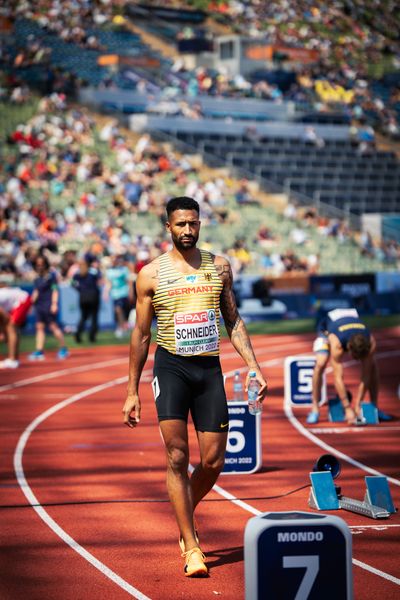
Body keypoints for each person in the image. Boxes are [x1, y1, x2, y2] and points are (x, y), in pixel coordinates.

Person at [122, 196, 268, 578]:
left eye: (193, 223)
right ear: (168, 228)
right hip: (170, 369)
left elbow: (233, 320)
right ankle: (191, 544)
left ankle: (184, 506)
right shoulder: (150, 274)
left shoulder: (219, 267)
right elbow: (140, 335)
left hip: (208, 370)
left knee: (214, 461)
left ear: (200, 224)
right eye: (181, 224)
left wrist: (254, 366)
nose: (188, 230)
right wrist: (132, 391)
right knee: (176, 456)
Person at [306, 307, 390, 425]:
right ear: (349, 349)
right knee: (321, 363)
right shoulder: (337, 345)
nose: (357, 360)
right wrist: (347, 408)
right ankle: (315, 408)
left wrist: (357, 405)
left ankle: (374, 406)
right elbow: (337, 378)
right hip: (327, 328)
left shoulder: (370, 344)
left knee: (372, 366)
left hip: (351, 320)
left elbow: (365, 377)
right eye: (356, 357)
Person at [28, 255, 69, 360]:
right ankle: (39, 350)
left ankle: (63, 348)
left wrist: (54, 304)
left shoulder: (51, 276)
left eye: (41, 264)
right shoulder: (37, 278)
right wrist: (31, 304)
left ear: (45, 264)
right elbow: (36, 291)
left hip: (48, 304)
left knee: (53, 327)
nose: (39, 267)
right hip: (39, 306)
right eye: (37, 265)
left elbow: (55, 290)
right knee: (39, 327)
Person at [0, 272, 32, 369]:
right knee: (10, 328)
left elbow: (5, 317)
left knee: (11, 327)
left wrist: (3, 333)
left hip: (23, 300)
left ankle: (12, 359)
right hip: (19, 300)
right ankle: (14, 359)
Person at [71, 257, 102, 343]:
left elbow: (72, 283)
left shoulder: (77, 273)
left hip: (83, 297)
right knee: (94, 317)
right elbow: (99, 280)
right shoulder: (93, 271)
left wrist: (80, 289)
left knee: (83, 317)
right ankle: (92, 337)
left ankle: (78, 334)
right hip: (93, 296)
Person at [104, 254, 132, 338]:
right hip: (114, 294)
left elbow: (128, 282)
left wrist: (131, 292)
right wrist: (105, 293)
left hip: (123, 293)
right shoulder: (109, 271)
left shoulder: (123, 269)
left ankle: (122, 327)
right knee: (118, 311)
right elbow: (109, 283)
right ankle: (122, 327)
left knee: (119, 310)